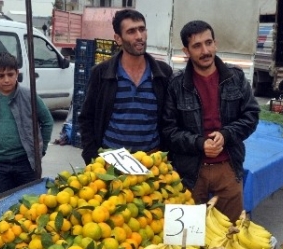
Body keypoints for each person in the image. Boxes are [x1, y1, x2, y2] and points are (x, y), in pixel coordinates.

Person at [161, 20, 260, 222]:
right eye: (197, 46)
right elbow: (168, 130)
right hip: (189, 172)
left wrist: (226, 135)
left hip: (228, 168)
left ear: (215, 43)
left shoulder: (236, 78)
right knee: (188, 239)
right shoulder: (176, 85)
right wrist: (199, 143)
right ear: (186, 51)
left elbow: (251, 116)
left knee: (230, 236)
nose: (205, 50)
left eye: (208, 43)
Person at [78, 9, 173, 165]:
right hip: (112, 162)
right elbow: (86, 118)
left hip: (152, 162)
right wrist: (92, 158)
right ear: (118, 39)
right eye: (131, 31)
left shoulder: (162, 73)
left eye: (142, 29)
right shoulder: (102, 73)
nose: (139, 36)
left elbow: (170, 120)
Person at [0, 52, 54, 196]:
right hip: (0, 164)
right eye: (1, 76)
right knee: (0, 204)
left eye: (10, 74)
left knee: (29, 205)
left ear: (17, 73)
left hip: (25, 162)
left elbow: (47, 121)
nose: (6, 80)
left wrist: (41, 149)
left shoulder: (29, 96)